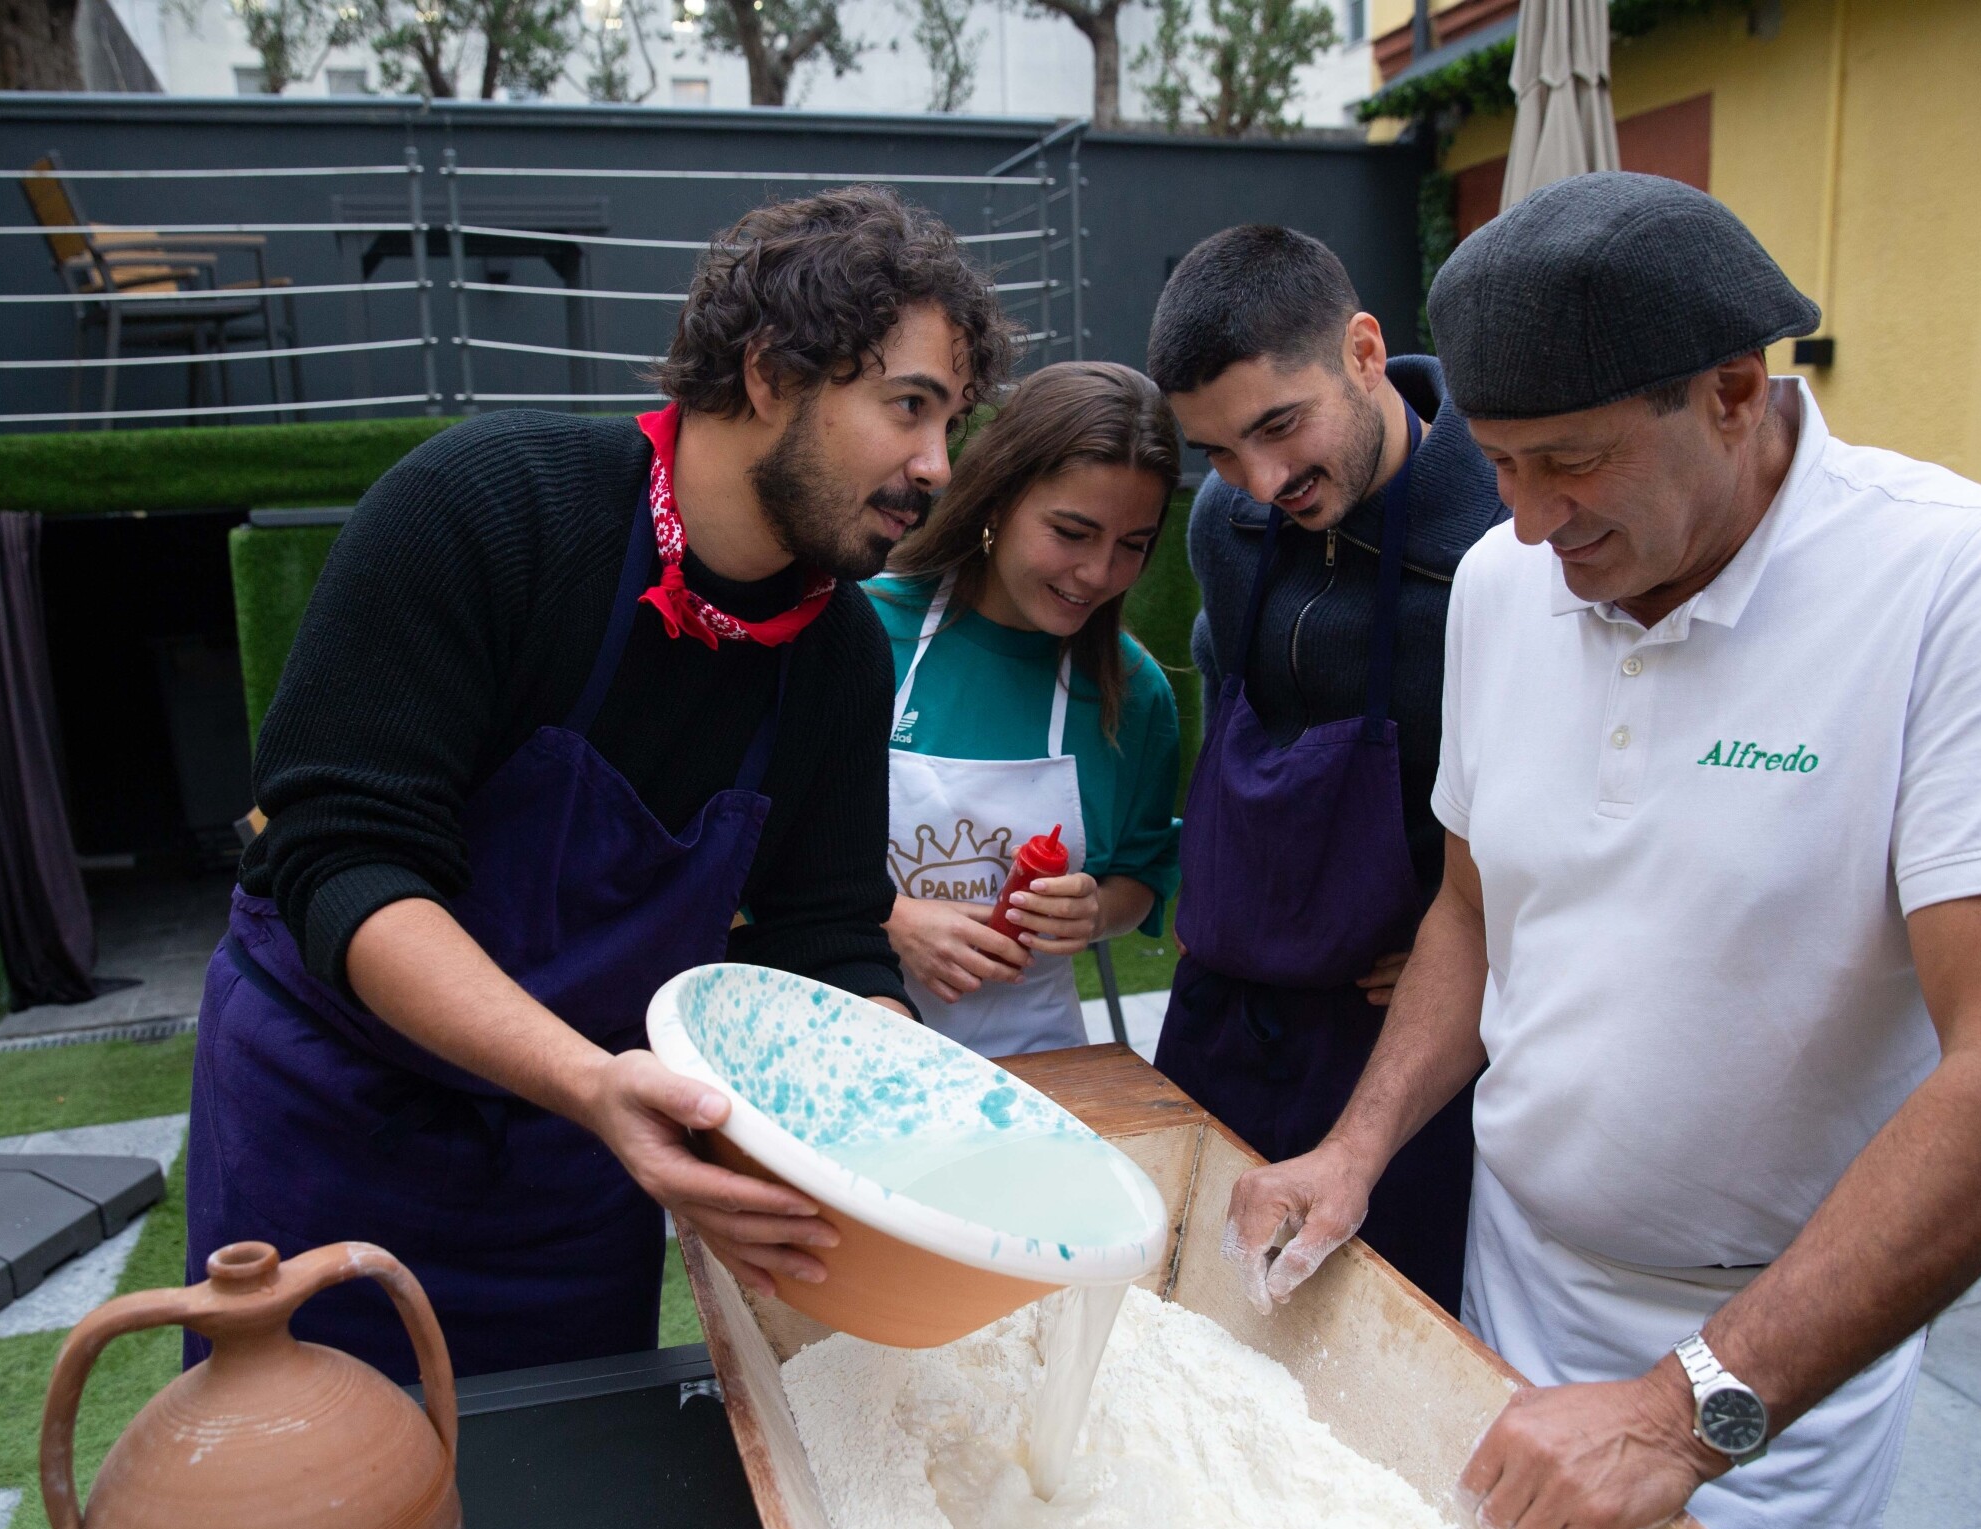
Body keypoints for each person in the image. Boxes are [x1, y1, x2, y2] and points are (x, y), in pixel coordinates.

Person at [1224, 173, 1981, 1529]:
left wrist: (1683, 1409)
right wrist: (1358, 1143)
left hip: (1764, 1362)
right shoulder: (1505, 588)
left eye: (1568, 464)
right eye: (1500, 464)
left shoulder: (1973, 578)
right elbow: (1475, 897)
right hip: (1507, 1278)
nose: (1522, 525)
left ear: (1732, 391)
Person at [186, 186, 1016, 1383]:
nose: (936, 466)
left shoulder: (838, 653)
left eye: (952, 422)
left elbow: (825, 939)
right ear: (774, 369)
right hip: (331, 1124)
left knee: (569, 1482)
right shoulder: (490, 509)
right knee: (314, 1504)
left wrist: (911, 1120)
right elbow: (344, 857)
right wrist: (587, 1079)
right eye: (908, 407)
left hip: (580, 1165)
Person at [1144, 226, 1505, 1315]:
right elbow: (1235, 732)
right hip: (1226, 1002)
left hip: (1396, 1025)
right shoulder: (1225, 523)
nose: (1257, 481)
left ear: (1361, 350)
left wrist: (1483, 939)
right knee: (1178, 1303)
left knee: (1372, 1327)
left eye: (1276, 426)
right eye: (1215, 450)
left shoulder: (1506, 539)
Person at [867, 361, 1184, 1055]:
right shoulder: (863, 630)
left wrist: (1095, 910)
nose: (1098, 573)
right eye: (1072, 532)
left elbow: (1141, 873)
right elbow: (762, 854)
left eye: (1133, 545)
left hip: (1035, 1066)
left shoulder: (1136, 695)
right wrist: (889, 918)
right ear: (998, 500)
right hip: (846, 1045)